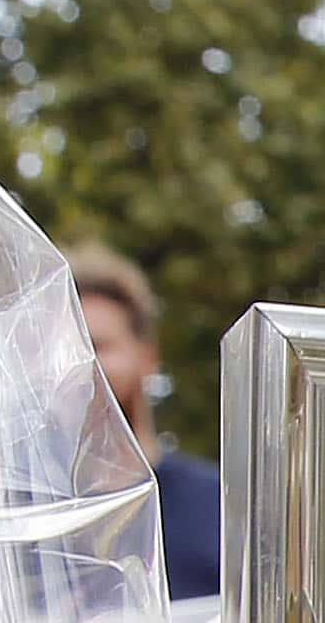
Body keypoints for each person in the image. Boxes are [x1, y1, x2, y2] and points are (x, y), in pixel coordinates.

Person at [74, 241, 219, 602]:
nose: (81, 365)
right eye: (67, 348)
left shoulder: (218, 507)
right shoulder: (31, 521)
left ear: (148, 357)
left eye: (98, 346)